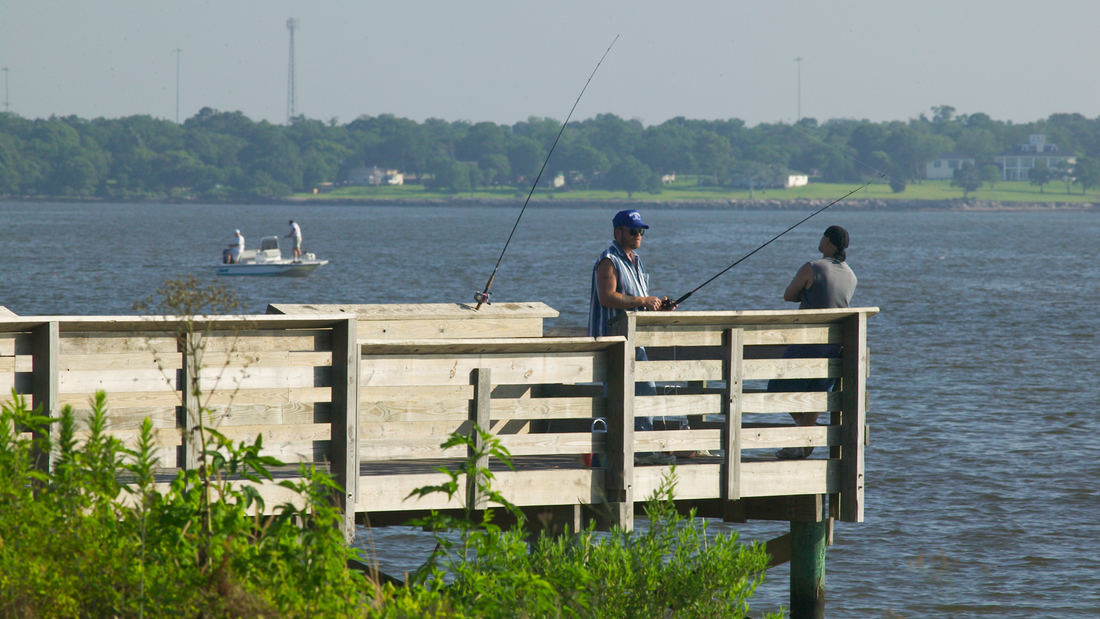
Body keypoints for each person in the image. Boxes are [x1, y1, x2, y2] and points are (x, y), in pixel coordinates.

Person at [588, 209, 677, 465]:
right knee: (620, 399)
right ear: (618, 232)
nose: (639, 235)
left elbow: (638, 300)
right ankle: (627, 454)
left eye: (641, 231)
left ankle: (640, 450)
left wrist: (658, 306)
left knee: (646, 394)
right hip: (614, 343)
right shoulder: (608, 260)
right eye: (633, 230)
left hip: (635, 341)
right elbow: (607, 297)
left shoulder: (636, 261)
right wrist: (642, 300)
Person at [772, 224, 857, 459]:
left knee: (776, 389)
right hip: (834, 346)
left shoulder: (812, 267)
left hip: (807, 341)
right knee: (818, 394)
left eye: (823, 237)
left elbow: (789, 295)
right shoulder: (851, 276)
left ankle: (804, 432)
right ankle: (806, 435)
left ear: (828, 241)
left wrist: (807, 295)